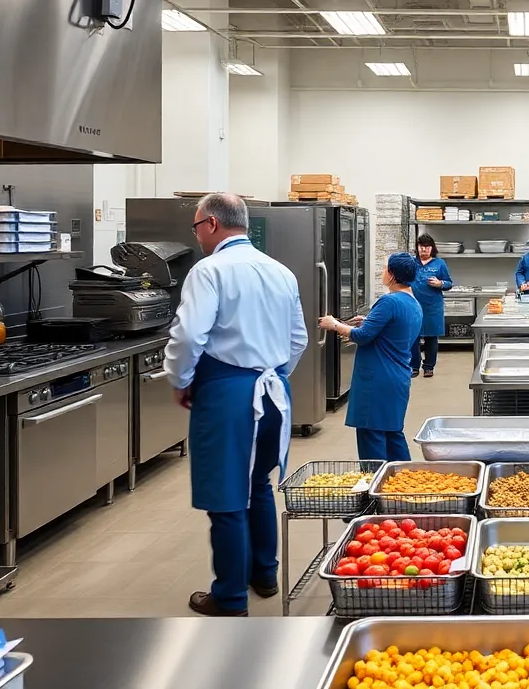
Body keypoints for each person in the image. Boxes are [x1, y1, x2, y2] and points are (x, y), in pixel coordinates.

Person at [163, 192, 308, 617]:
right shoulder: (280, 271)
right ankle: (264, 574)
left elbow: (190, 337)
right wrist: (274, 376)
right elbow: (297, 339)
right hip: (275, 392)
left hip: (229, 394)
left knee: (226, 495)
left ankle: (228, 597)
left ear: (210, 224)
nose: (198, 235)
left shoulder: (209, 271)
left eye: (196, 227)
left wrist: (180, 380)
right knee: (258, 483)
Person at [320, 253, 423, 461]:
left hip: (377, 379)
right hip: (398, 378)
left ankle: (374, 487)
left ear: (392, 276)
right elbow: (396, 330)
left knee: (372, 436)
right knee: (393, 434)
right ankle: (401, 484)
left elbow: (363, 336)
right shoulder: (413, 303)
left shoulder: (389, 302)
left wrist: (335, 325)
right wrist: (370, 320)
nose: (382, 273)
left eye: (385, 269)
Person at [409, 234, 452, 378]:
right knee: (412, 337)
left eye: (427, 247)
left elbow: (449, 283)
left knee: (431, 338)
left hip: (433, 307)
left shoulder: (439, 263)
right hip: (413, 306)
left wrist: (441, 284)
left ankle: (429, 367)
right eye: (421, 247)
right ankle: (414, 366)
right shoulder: (411, 263)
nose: (424, 250)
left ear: (432, 248)